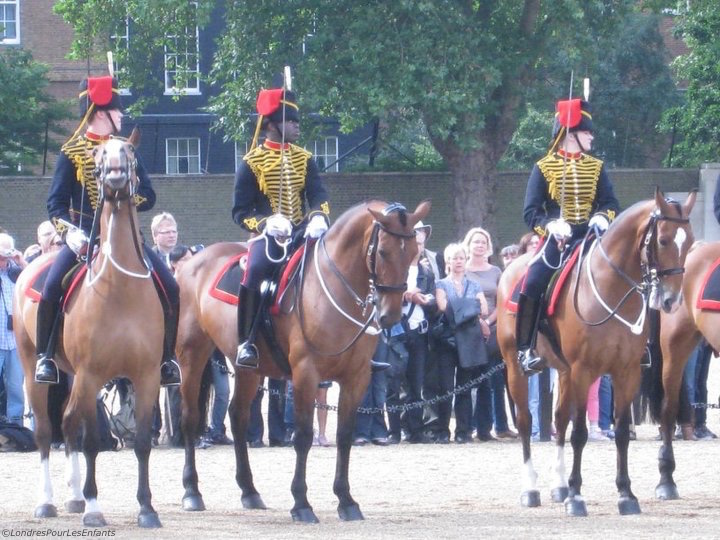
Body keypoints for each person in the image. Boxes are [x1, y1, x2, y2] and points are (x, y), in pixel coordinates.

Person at [33, 75, 182, 386]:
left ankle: (167, 358)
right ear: (101, 112)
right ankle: (46, 356)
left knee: (170, 285)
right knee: (50, 288)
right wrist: (69, 233)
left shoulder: (126, 149)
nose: (122, 115)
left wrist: (125, 199)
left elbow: (150, 196)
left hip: (128, 240)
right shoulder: (72, 151)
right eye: (117, 110)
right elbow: (55, 205)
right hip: (83, 241)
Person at [517, 97, 620, 375]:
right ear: (571, 133)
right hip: (558, 240)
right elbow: (530, 211)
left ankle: (635, 343)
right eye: (587, 131)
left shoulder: (596, 167)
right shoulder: (544, 167)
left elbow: (611, 203)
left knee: (625, 274)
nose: (592, 136)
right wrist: (549, 226)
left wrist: (602, 217)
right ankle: (525, 349)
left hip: (590, 236)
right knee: (534, 279)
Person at [232, 84, 330, 369]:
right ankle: (245, 342)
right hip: (269, 237)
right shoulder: (251, 162)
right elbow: (240, 211)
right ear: (272, 124)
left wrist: (318, 216)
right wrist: (265, 224)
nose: (297, 126)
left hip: (303, 232)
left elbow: (318, 194)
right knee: (255, 269)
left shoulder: (305, 158)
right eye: (291, 121)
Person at [464, 227, 516, 440]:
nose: (480, 245)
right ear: (468, 245)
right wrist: (477, 321)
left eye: (483, 242)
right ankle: (469, 426)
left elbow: (502, 300)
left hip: (493, 329)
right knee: (469, 380)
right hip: (467, 328)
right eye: (476, 242)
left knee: (494, 379)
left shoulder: (496, 271)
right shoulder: (462, 269)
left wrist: (487, 321)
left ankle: (497, 426)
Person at [434, 243, 488, 444]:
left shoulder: (474, 284)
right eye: (454, 258)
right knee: (446, 387)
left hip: (469, 340)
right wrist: (469, 307)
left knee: (465, 387)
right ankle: (442, 431)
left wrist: (458, 308)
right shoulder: (441, 284)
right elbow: (442, 306)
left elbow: (482, 308)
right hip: (447, 341)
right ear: (448, 261)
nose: (458, 262)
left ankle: (463, 431)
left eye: (461, 258)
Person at [0, 233, 27, 426]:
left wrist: (22, 262)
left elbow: (39, 284)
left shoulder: (18, 273)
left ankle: (15, 427)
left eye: (6, 257)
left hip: (15, 341)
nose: (4, 261)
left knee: (16, 387)